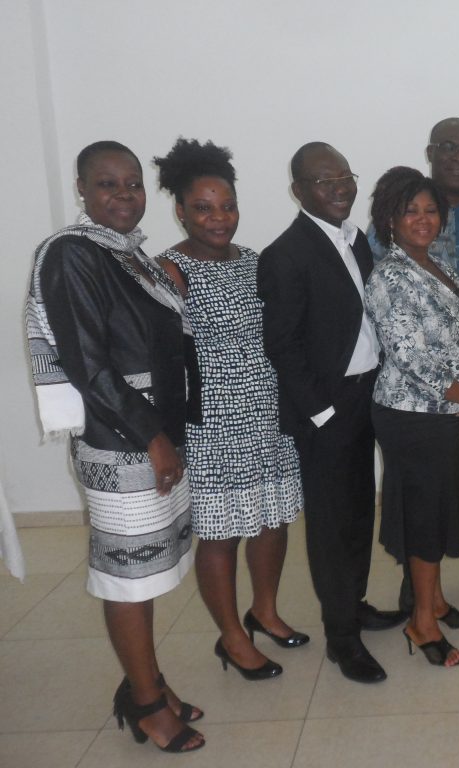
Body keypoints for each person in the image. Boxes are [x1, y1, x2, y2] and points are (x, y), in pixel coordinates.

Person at [25, 141, 204, 752]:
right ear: (82, 189)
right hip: (123, 443)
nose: (123, 196)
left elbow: (159, 344)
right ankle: (146, 703)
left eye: (132, 184)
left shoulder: (131, 258)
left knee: (152, 571)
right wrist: (152, 439)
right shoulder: (72, 255)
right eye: (108, 185)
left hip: (152, 437)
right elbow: (90, 365)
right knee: (129, 578)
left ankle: (147, 681)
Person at [153, 138, 305, 681]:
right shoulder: (167, 271)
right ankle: (232, 636)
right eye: (203, 208)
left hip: (267, 414)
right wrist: (161, 438)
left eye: (227, 206)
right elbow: (159, 365)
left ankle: (264, 610)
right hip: (212, 424)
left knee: (273, 519)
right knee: (220, 533)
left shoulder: (255, 261)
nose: (219, 218)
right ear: (179, 210)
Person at [258, 142, 404, 685]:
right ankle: (341, 639)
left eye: (345, 176)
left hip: (369, 393)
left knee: (361, 508)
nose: (340, 187)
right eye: (324, 181)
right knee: (329, 523)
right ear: (298, 191)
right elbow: (284, 345)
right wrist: (319, 413)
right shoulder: (286, 254)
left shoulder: (357, 239)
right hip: (327, 408)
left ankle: (356, 602)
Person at [368, 117, 459, 607]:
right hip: (415, 411)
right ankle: (421, 616)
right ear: (391, 220)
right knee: (423, 511)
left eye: (431, 211)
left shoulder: (439, 265)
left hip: (452, 407)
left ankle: (435, 602)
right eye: (412, 212)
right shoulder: (390, 273)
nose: (423, 218)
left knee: (441, 506)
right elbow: (409, 355)